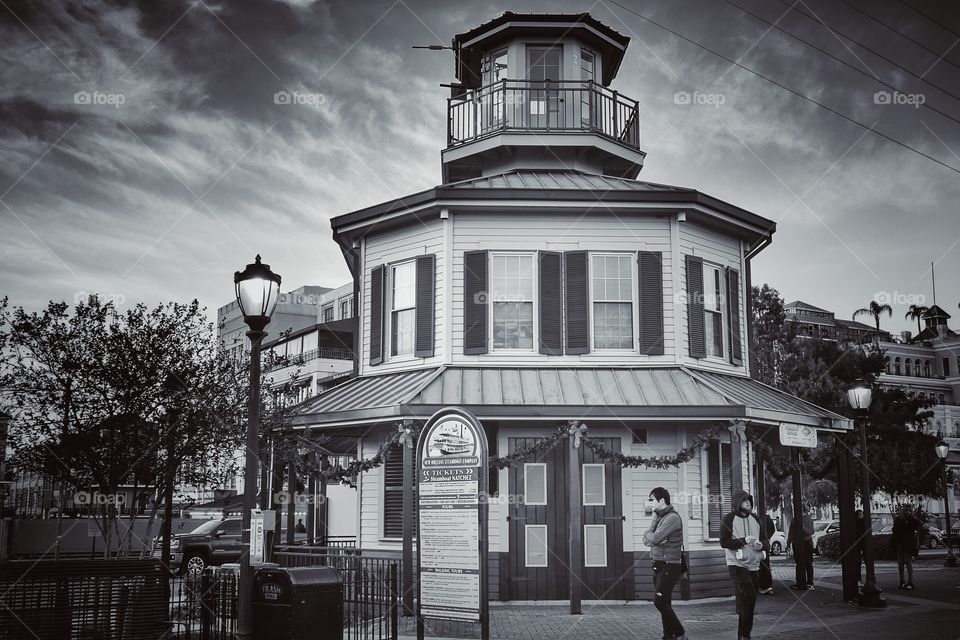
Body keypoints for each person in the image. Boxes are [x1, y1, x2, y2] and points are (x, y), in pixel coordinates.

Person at [720, 489, 769, 640]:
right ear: (737, 503)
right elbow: (724, 542)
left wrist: (762, 544)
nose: (748, 502)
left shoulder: (756, 518)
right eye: (745, 500)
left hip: (754, 565)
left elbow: (765, 540)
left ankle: (742, 635)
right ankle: (745, 635)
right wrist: (743, 540)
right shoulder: (728, 519)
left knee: (746, 600)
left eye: (749, 500)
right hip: (736, 565)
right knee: (750, 595)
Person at [642, 487, 688, 640]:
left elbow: (653, 539)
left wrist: (652, 536)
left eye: (652, 500)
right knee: (665, 602)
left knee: (659, 601)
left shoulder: (672, 518)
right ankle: (668, 635)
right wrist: (652, 536)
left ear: (661, 500)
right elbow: (646, 540)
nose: (650, 503)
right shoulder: (659, 516)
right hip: (658, 564)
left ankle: (680, 633)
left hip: (670, 564)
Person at [891, 507, 919, 590]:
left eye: (908, 510)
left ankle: (910, 582)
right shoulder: (898, 519)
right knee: (900, 564)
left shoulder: (911, 519)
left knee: (907, 562)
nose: (906, 512)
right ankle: (902, 581)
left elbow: (914, 526)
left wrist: (910, 518)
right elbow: (895, 530)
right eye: (905, 510)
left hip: (908, 544)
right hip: (900, 543)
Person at [789, 510, 814, 590]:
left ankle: (810, 582)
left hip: (806, 543)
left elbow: (811, 531)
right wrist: (788, 542)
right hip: (798, 543)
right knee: (799, 563)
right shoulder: (794, 519)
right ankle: (800, 582)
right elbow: (791, 532)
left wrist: (803, 528)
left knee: (808, 563)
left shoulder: (808, 518)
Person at [757, 512, 776, 595]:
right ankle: (768, 585)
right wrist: (768, 537)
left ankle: (762, 585)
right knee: (766, 564)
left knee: (761, 565)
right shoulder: (768, 518)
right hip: (765, 543)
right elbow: (773, 529)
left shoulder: (756, 518)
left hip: (759, 544)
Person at [854, 510, 866, 586]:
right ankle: (858, 579)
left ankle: (860, 579)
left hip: (863, 544)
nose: (860, 516)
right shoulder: (855, 523)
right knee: (857, 562)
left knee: (865, 561)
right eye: (858, 514)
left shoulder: (864, 522)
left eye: (861, 514)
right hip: (859, 544)